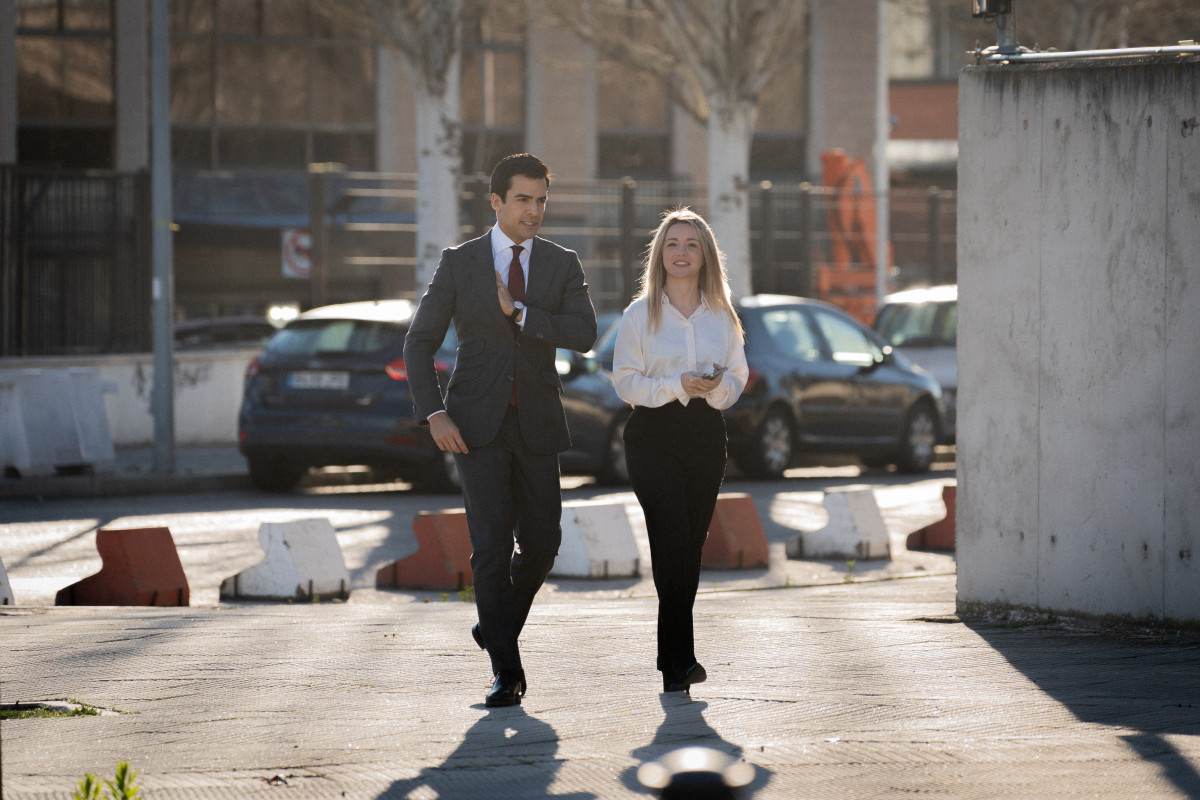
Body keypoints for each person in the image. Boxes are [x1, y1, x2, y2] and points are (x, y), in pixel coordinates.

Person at [403, 153, 597, 707]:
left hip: (537, 424)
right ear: (495, 201)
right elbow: (419, 343)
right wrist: (433, 413)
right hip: (473, 427)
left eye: (540, 201)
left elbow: (584, 332)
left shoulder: (562, 263)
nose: (533, 211)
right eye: (522, 200)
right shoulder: (460, 263)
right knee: (489, 548)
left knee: (542, 543)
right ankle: (506, 672)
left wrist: (521, 315)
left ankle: (497, 625)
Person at [611, 207, 748, 694]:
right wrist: (677, 383)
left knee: (689, 550)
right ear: (660, 255)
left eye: (691, 244)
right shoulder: (638, 314)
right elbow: (625, 382)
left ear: (705, 254)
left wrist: (714, 389)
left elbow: (738, 375)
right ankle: (680, 660)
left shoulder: (722, 313)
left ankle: (671, 657)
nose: (682, 253)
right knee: (670, 541)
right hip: (653, 436)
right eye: (673, 244)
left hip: (705, 436)